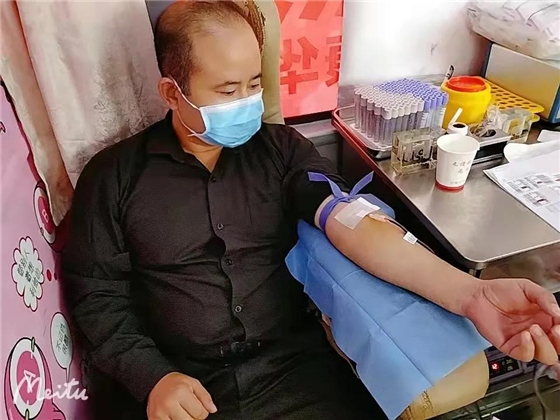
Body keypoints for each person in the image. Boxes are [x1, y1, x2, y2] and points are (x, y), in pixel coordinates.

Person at [62, 2, 560, 420]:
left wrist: (472, 295)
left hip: (296, 374)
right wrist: (152, 378)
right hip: (181, 384)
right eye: (228, 91)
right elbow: (97, 295)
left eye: (255, 84)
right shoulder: (113, 177)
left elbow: (353, 223)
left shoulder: (281, 151)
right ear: (173, 92)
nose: (248, 102)